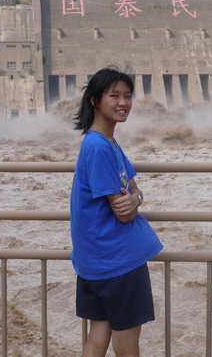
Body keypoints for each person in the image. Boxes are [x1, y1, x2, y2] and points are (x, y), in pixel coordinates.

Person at [70, 66, 163, 357]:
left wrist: (136, 200)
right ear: (95, 101)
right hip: (116, 261)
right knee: (126, 343)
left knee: (97, 339)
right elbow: (123, 212)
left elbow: (134, 191)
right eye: (114, 96)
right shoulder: (98, 147)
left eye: (128, 96)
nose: (123, 103)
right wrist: (133, 204)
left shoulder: (108, 143)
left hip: (94, 262)